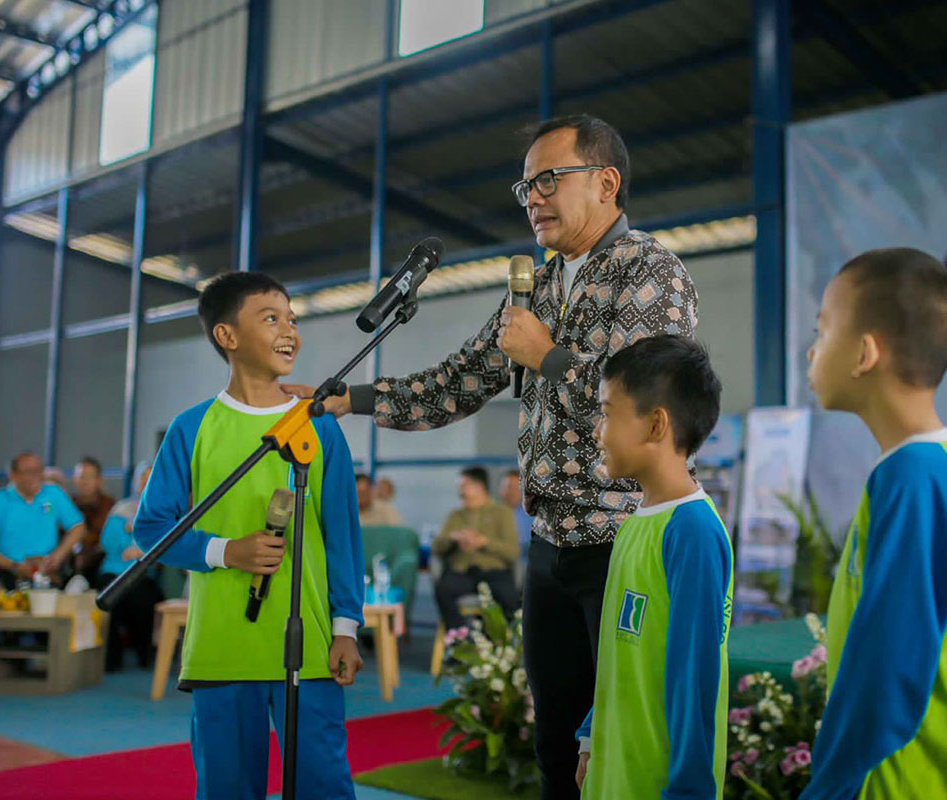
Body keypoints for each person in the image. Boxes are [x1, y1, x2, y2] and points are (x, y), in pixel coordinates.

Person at [287, 114, 699, 799]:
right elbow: (454, 384)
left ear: (606, 182)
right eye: (524, 186)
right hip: (547, 549)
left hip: (624, 542)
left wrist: (548, 357)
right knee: (555, 738)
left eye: (548, 179)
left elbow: (647, 411)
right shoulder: (536, 287)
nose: (532, 196)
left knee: (625, 738)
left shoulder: (652, 272)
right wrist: (344, 399)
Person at [133, 271, 365, 799]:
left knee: (323, 785)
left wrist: (346, 626)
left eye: (292, 319)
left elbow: (343, 536)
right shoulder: (191, 428)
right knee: (227, 788)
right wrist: (224, 551)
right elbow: (150, 528)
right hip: (221, 647)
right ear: (227, 336)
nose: (290, 331)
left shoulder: (320, 425)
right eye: (271, 318)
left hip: (310, 646)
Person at [799, 249, 947, 800]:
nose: (812, 350)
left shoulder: (916, 479)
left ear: (865, 353)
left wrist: (829, 789)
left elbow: (885, 672)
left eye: (824, 329)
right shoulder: (918, 472)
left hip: (897, 782)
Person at [573, 335, 730, 799]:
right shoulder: (634, 524)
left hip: (659, 783)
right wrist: (590, 733)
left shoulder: (692, 532)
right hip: (614, 771)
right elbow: (618, 656)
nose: (598, 431)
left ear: (656, 424)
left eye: (607, 412)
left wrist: (688, 790)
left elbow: (694, 679)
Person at [0, 452, 88, 589]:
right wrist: (14, 566)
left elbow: (78, 528)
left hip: (45, 573)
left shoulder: (54, 494)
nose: (36, 476)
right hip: (5, 573)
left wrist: (57, 556)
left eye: (39, 471)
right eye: (29, 472)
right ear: (12, 475)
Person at [432, 466, 520, 628]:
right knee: (442, 590)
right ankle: (461, 639)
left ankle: (504, 645)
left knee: (510, 599)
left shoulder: (502, 513)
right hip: (462, 573)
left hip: (493, 573)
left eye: (463, 486)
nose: (460, 491)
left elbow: (512, 552)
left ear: (479, 487)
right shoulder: (455, 515)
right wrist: (454, 538)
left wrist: (484, 542)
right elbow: (436, 547)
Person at [97, 462, 164, 672]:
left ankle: (144, 656)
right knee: (108, 596)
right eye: (143, 476)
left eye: (152, 476)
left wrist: (135, 539)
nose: (146, 481)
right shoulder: (123, 507)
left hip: (143, 571)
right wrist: (133, 543)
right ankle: (111, 660)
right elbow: (109, 540)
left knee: (140, 596)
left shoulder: (166, 509)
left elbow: (163, 542)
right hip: (113, 569)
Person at [72, 456, 115, 579]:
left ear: (100, 480)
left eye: (89, 477)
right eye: (81, 477)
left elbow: (98, 535)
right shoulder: (69, 503)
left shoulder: (108, 504)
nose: (84, 482)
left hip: (100, 560)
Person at [500, 469, 532, 558]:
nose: (512, 492)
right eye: (508, 487)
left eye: (517, 488)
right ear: (501, 490)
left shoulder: (532, 516)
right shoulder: (493, 513)